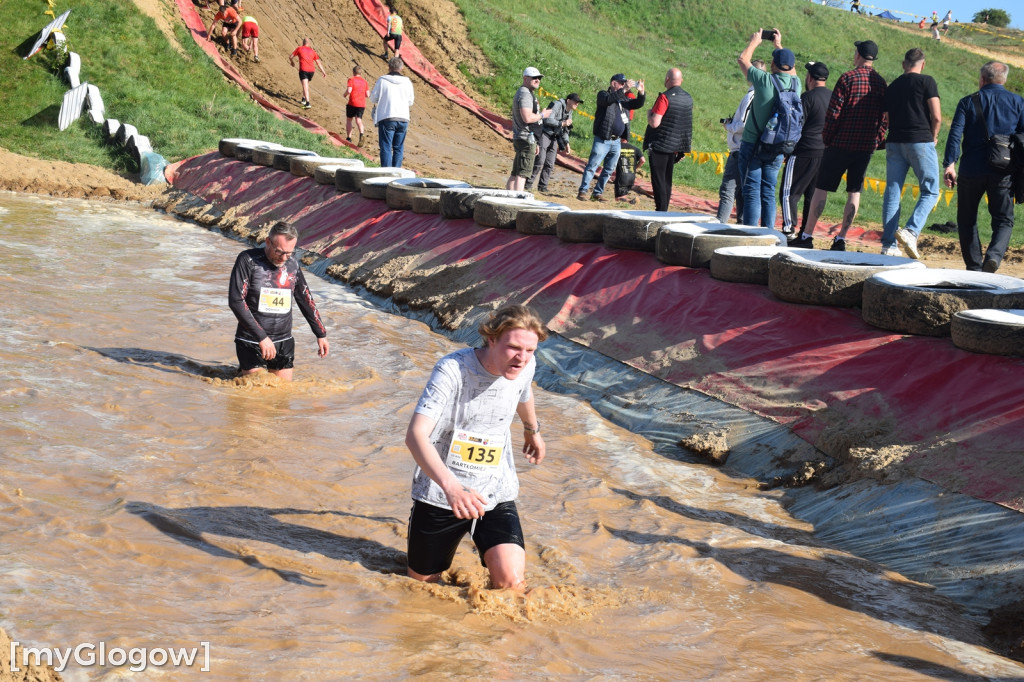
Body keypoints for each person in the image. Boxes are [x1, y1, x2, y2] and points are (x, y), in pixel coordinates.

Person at [404, 304, 548, 591]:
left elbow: (524, 392)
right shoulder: (452, 370)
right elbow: (416, 435)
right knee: (422, 589)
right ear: (491, 339)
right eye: (514, 348)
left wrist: (532, 430)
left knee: (511, 584)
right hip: (442, 493)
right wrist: (452, 487)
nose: (521, 359)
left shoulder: (525, 365)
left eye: (530, 350)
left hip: (494, 488)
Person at [792, 40, 887, 250]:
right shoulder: (881, 83)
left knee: (821, 188)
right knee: (855, 191)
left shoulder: (847, 78)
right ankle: (841, 238)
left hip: (840, 143)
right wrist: (876, 140)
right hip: (865, 147)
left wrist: (827, 138)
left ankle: (807, 235)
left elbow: (834, 114)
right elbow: (884, 119)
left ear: (859, 55)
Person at [942, 61, 1024, 272]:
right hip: (1003, 171)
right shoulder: (1018, 102)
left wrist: (950, 164)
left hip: (971, 169)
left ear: (982, 79)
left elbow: (955, 134)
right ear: (1003, 80)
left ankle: (974, 265)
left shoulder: (967, 102)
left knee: (967, 219)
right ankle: (994, 256)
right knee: (1004, 219)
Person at [228, 222, 329, 382]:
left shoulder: (292, 264)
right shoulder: (248, 260)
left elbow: (304, 297)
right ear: (268, 242)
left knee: (281, 399)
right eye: (279, 252)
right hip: (252, 340)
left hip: (283, 341)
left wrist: (320, 333)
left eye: (289, 253)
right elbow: (236, 301)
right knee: (255, 399)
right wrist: (262, 337)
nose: (283, 258)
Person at [736, 29, 801, 228]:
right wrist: (779, 46)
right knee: (768, 191)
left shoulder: (764, 80)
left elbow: (742, 60)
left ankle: (750, 233)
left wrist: (754, 41)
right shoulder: (796, 84)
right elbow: (791, 69)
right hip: (778, 147)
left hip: (753, 144)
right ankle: (769, 233)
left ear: (772, 65)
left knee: (752, 191)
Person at [880, 48, 941, 259]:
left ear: (904, 64)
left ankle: (888, 245)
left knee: (893, 191)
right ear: (922, 64)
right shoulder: (927, 81)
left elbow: (886, 118)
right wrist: (933, 136)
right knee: (931, 190)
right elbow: (937, 115)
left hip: (895, 140)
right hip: (920, 140)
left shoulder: (893, 85)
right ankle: (911, 230)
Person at [779, 61, 831, 237]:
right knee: (812, 196)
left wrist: (787, 150)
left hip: (803, 151)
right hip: (824, 153)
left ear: (810, 78)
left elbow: (796, 126)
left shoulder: (808, 97)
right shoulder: (833, 96)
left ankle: (788, 228)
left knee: (789, 193)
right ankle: (805, 233)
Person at [577, 74, 646, 202]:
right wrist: (624, 90)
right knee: (593, 165)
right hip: (603, 139)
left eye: (625, 83)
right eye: (621, 83)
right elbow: (608, 100)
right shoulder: (603, 95)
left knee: (609, 169)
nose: (624, 85)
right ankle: (583, 191)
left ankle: (597, 193)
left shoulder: (623, 100)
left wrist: (641, 93)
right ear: (614, 83)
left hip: (616, 141)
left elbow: (637, 104)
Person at [716, 61, 762, 224]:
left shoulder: (751, 96)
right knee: (744, 192)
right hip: (752, 149)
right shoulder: (764, 94)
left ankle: (719, 225)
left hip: (740, 149)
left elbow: (743, 124)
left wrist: (728, 126)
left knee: (728, 190)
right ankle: (743, 226)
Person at [644, 68, 694, 212]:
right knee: (667, 180)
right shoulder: (688, 98)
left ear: (667, 79)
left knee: (659, 180)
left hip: (660, 143)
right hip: (676, 145)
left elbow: (655, 123)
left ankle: (661, 211)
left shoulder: (665, 97)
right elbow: (685, 122)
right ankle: (664, 210)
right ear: (681, 81)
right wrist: (683, 147)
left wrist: (649, 114)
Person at [526, 92, 582, 193]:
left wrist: (567, 143)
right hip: (545, 134)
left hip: (555, 137)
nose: (577, 104)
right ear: (568, 100)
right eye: (575, 102)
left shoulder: (569, 112)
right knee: (540, 160)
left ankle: (543, 186)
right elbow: (547, 120)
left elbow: (566, 130)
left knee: (550, 163)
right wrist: (562, 123)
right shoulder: (557, 105)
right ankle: (528, 183)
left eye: (578, 102)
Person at [506, 67, 551, 192]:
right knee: (522, 174)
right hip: (525, 138)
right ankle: (517, 202)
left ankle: (508, 198)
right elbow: (527, 118)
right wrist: (543, 115)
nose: (537, 80)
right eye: (534, 78)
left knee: (515, 174)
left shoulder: (525, 92)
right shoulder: (525, 93)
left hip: (524, 137)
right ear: (525, 79)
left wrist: (535, 141)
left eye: (539, 78)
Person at [370, 56, 415, 167]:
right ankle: (396, 174)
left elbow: (373, 98)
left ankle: (386, 174)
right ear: (402, 68)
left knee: (386, 146)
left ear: (389, 67)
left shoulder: (382, 80)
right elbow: (410, 101)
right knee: (398, 148)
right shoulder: (407, 82)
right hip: (403, 117)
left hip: (387, 116)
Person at [289, 38, 327, 110]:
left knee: (305, 86)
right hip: (312, 71)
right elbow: (318, 62)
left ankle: (308, 103)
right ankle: (303, 99)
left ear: (303, 43)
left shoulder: (299, 48)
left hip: (303, 70)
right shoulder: (313, 51)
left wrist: (292, 62)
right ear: (309, 43)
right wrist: (323, 71)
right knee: (306, 84)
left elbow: (290, 56)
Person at [345, 65, 370, 146]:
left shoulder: (351, 79)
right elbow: (367, 94)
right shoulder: (365, 81)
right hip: (361, 104)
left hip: (352, 102)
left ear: (353, 72)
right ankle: (361, 134)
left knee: (349, 120)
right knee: (358, 120)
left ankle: (349, 138)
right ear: (361, 73)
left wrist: (345, 94)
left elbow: (349, 90)